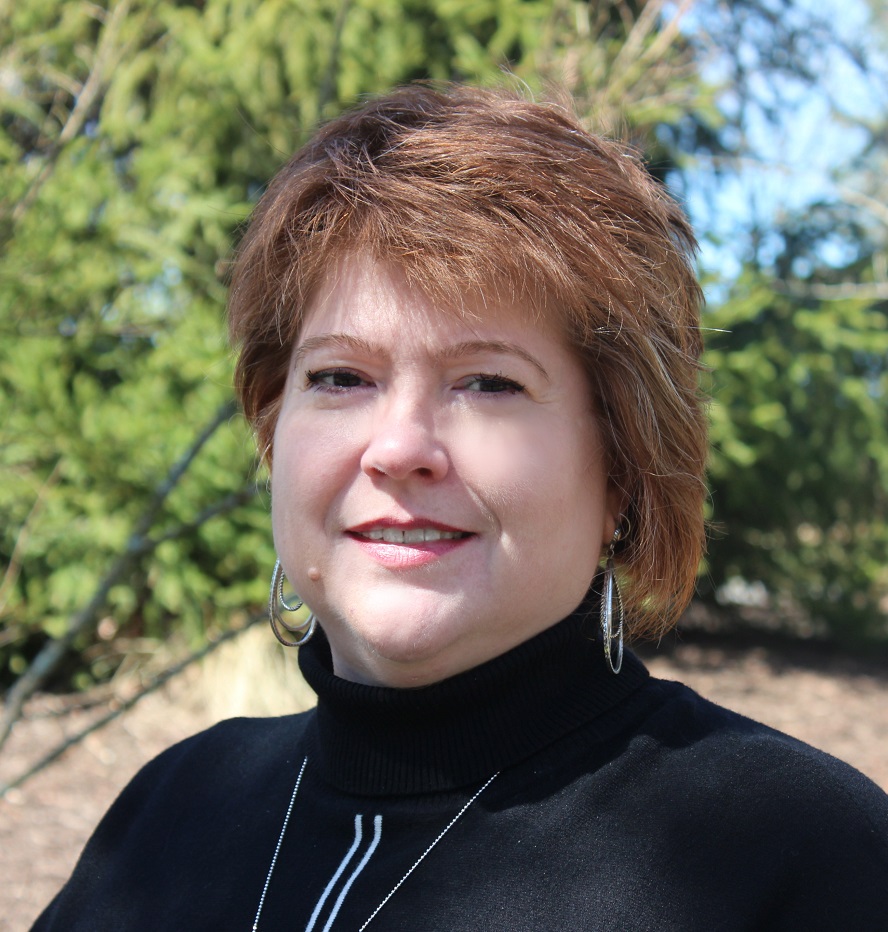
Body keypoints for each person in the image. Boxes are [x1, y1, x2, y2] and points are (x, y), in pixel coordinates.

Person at [33, 85, 888, 931]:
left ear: (623, 470)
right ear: (272, 424)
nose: (398, 446)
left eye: (489, 383)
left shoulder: (797, 858)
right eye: (341, 376)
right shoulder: (169, 813)